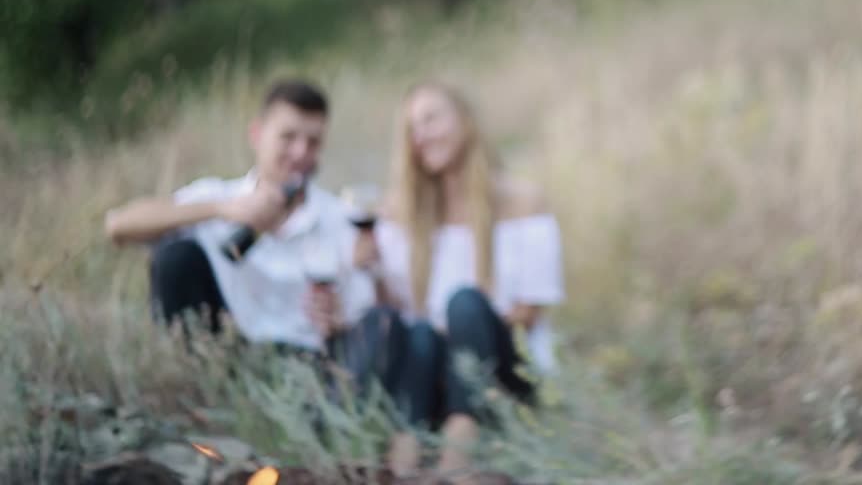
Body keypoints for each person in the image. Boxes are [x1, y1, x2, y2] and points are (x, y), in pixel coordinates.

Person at [103, 78, 403, 398]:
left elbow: (376, 314)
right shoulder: (221, 197)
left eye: (313, 142)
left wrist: (341, 313)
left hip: (308, 364)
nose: (300, 152)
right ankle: (194, 394)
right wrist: (222, 210)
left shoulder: (339, 217)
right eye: (288, 137)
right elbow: (118, 226)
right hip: (225, 352)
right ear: (257, 135)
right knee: (176, 256)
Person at [358, 81, 566, 478]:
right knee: (419, 335)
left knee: (465, 304)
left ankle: (456, 461)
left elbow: (529, 314)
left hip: (504, 376)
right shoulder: (403, 216)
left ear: (466, 121)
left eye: (431, 119)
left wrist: (459, 338)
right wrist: (369, 267)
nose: (421, 136)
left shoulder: (524, 203)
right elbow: (398, 311)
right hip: (432, 377)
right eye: (412, 129)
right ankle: (403, 465)